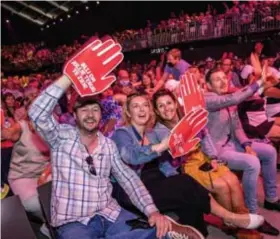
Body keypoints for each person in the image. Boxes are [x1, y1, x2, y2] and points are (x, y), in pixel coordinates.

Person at [28, 74, 202, 239]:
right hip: (74, 222)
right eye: (84, 110)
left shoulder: (107, 145)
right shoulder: (61, 137)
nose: (90, 114)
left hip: (111, 214)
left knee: (155, 232)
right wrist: (69, 78)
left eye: (95, 109)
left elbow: (129, 179)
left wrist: (152, 211)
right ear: (75, 115)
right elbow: (37, 113)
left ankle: (165, 231)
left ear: (101, 116)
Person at [111, 92, 264, 237]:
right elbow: (130, 155)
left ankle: (200, 234)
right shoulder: (122, 133)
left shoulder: (151, 133)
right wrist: (161, 147)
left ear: (150, 110)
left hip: (156, 180)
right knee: (185, 184)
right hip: (131, 189)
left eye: (145, 105)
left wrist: (185, 148)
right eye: (136, 106)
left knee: (189, 194)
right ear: (128, 112)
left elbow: (168, 160)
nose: (141, 109)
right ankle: (230, 217)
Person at [204, 68, 280, 235]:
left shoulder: (228, 99)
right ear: (208, 85)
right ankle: (252, 213)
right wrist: (259, 82)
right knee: (252, 162)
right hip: (218, 149)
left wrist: (246, 145)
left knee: (269, 151)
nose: (223, 81)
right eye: (217, 79)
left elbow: (237, 126)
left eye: (224, 77)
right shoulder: (208, 98)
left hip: (234, 143)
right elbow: (236, 97)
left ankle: (271, 199)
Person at [3, 106, 51, 237]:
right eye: (32, 119)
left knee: (61, 193)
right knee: (34, 204)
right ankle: (49, 223)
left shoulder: (51, 130)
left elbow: (57, 155)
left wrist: (45, 174)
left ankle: (50, 225)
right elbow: (7, 134)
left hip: (46, 172)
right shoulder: (21, 127)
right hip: (21, 176)